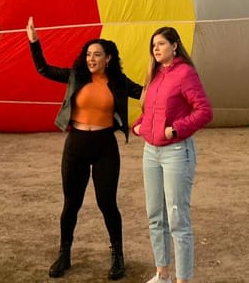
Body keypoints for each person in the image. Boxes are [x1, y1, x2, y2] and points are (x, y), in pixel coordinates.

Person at [26, 16, 143, 280]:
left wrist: (171, 79)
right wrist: (34, 41)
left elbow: (147, 93)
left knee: (107, 203)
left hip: (105, 147)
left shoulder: (118, 82)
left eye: (97, 55)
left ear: (108, 58)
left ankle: (117, 257)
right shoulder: (75, 77)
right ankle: (64, 254)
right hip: (76, 145)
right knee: (71, 203)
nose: (91, 59)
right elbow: (43, 69)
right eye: (88, 54)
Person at [133, 27, 213, 283]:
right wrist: (140, 125)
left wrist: (176, 129)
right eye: (153, 45)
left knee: (178, 218)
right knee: (155, 216)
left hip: (176, 153)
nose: (156, 49)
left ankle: (183, 280)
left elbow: (204, 111)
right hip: (151, 153)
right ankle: (162, 275)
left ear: (175, 46)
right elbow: (151, 112)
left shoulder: (184, 73)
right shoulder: (154, 76)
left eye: (161, 44)